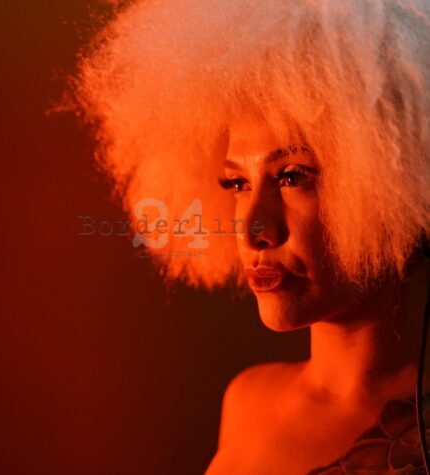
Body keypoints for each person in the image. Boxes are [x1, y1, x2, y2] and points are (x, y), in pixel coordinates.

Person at [72, 0, 430, 472]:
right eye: (237, 183)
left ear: (401, 181)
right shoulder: (246, 400)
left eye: (292, 176)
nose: (251, 229)